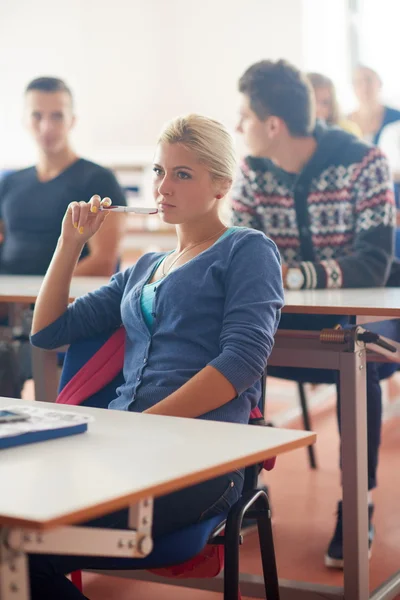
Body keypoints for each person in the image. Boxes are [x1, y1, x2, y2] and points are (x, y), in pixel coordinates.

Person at [28, 114, 284, 599]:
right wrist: (70, 245)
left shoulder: (248, 250)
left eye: (182, 174)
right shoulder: (146, 267)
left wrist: (141, 427)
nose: (163, 187)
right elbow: (48, 331)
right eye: (158, 171)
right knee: (13, 542)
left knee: (20, 548)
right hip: (125, 453)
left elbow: (243, 361)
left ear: (221, 185)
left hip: (199, 461)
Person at [232, 59, 397, 569]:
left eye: (244, 117)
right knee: (230, 346)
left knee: (359, 353)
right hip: (283, 326)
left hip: (368, 325)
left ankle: (357, 502)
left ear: (273, 125)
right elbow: (240, 253)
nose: (239, 128)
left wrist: (290, 274)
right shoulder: (252, 172)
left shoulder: (365, 162)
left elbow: (372, 264)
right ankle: (243, 489)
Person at [0, 77, 126, 277]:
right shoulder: (9, 183)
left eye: (57, 116)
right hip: (7, 301)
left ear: (72, 120)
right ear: (24, 121)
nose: (47, 126)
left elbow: (103, 262)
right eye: (37, 115)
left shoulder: (99, 180)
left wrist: (41, 297)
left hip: (63, 302)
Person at [349, 65, 400, 145]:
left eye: (369, 80)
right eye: (359, 82)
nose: (365, 87)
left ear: (380, 84)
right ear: (353, 87)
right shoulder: (344, 123)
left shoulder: (397, 117)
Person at [307, 72, 361, 137]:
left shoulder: (347, 130)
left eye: (325, 103)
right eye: (313, 101)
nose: (318, 108)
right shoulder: (293, 134)